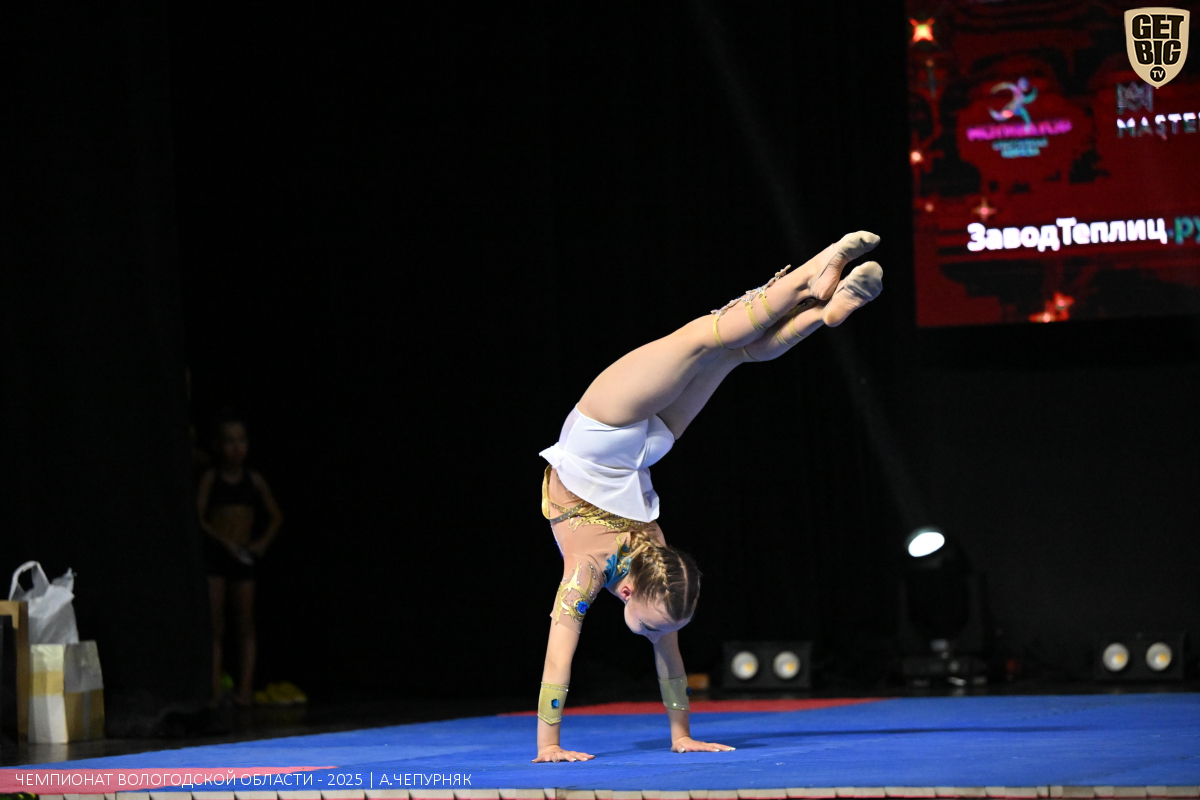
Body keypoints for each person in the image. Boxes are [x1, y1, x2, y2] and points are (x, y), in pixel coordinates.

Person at [533, 231, 883, 762]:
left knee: (727, 350)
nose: (660, 635)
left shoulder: (656, 571)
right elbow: (573, 655)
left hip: (635, 449)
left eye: (662, 628)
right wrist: (554, 743)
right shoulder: (632, 580)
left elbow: (645, 663)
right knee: (704, 340)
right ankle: (811, 288)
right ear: (629, 592)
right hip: (604, 435)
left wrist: (676, 735)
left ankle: (819, 310)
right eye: (662, 627)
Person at [197, 414, 283, 707]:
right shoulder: (212, 478)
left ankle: (245, 690)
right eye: (229, 441)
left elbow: (276, 517)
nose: (236, 448)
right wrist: (224, 543)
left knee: (245, 624)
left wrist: (260, 544)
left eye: (241, 441)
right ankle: (213, 691)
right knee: (216, 626)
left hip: (243, 557)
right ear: (218, 446)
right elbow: (198, 516)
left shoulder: (253, 480)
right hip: (217, 557)